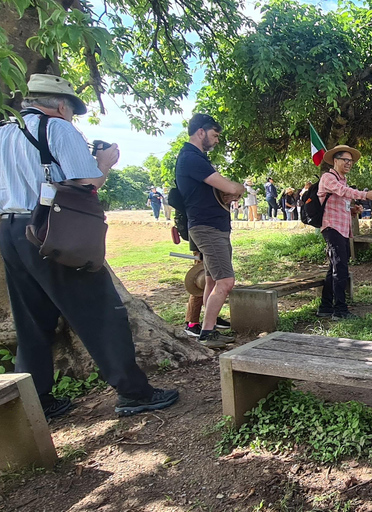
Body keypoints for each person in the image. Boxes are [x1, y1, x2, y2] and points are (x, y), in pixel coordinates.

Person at [0, 73, 178, 418]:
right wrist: (104, 163)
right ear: (61, 106)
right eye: (71, 111)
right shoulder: (57, 128)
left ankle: (36, 400)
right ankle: (133, 392)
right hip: (50, 227)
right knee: (101, 309)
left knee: (31, 321)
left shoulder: (5, 131)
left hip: (9, 230)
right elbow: (86, 183)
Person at [175, 113, 244, 348]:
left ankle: (209, 326)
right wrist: (238, 188)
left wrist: (231, 191)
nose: (216, 140)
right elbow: (230, 187)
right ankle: (207, 333)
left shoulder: (195, 158)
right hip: (208, 228)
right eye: (214, 135)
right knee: (226, 281)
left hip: (211, 226)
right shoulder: (191, 158)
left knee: (213, 281)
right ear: (200, 132)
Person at [316, 145, 372, 320]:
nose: (349, 163)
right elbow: (343, 192)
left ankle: (325, 307)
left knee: (335, 267)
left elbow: (340, 202)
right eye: (345, 160)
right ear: (335, 161)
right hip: (332, 228)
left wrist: (352, 210)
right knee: (341, 268)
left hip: (343, 229)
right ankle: (340, 310)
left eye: (351, 161)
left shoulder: (343, 180)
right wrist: (365, 195)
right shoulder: (328, 177)